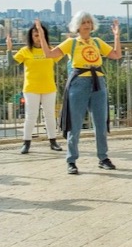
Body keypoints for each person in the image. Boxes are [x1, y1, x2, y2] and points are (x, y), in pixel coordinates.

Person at [36, 13, 121, 175]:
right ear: (77, 26)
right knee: (74, 124)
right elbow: (50, 54)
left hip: (98, 82)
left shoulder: (97, 42)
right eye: (83, 22)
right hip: (78, 83)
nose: (87, 25)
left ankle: (103, 158)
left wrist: (116, 36)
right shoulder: (71, 43)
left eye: (89, 22)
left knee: (101, 123)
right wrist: (41, 34)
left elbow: (116, 55)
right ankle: (71, 160)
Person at [7, 23, 65, 154]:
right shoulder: (25, 51)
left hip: (49, 87)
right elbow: (12, 63)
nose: (38, 38)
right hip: (31, 88)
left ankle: (53, 141)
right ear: (31, 36)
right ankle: (26, 143)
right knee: (31, 116)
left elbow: (62, 60)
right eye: (36, 35)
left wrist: (66, 46)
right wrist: (9, 49)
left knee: (50, 115)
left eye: (41, 35)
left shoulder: (50, 49)